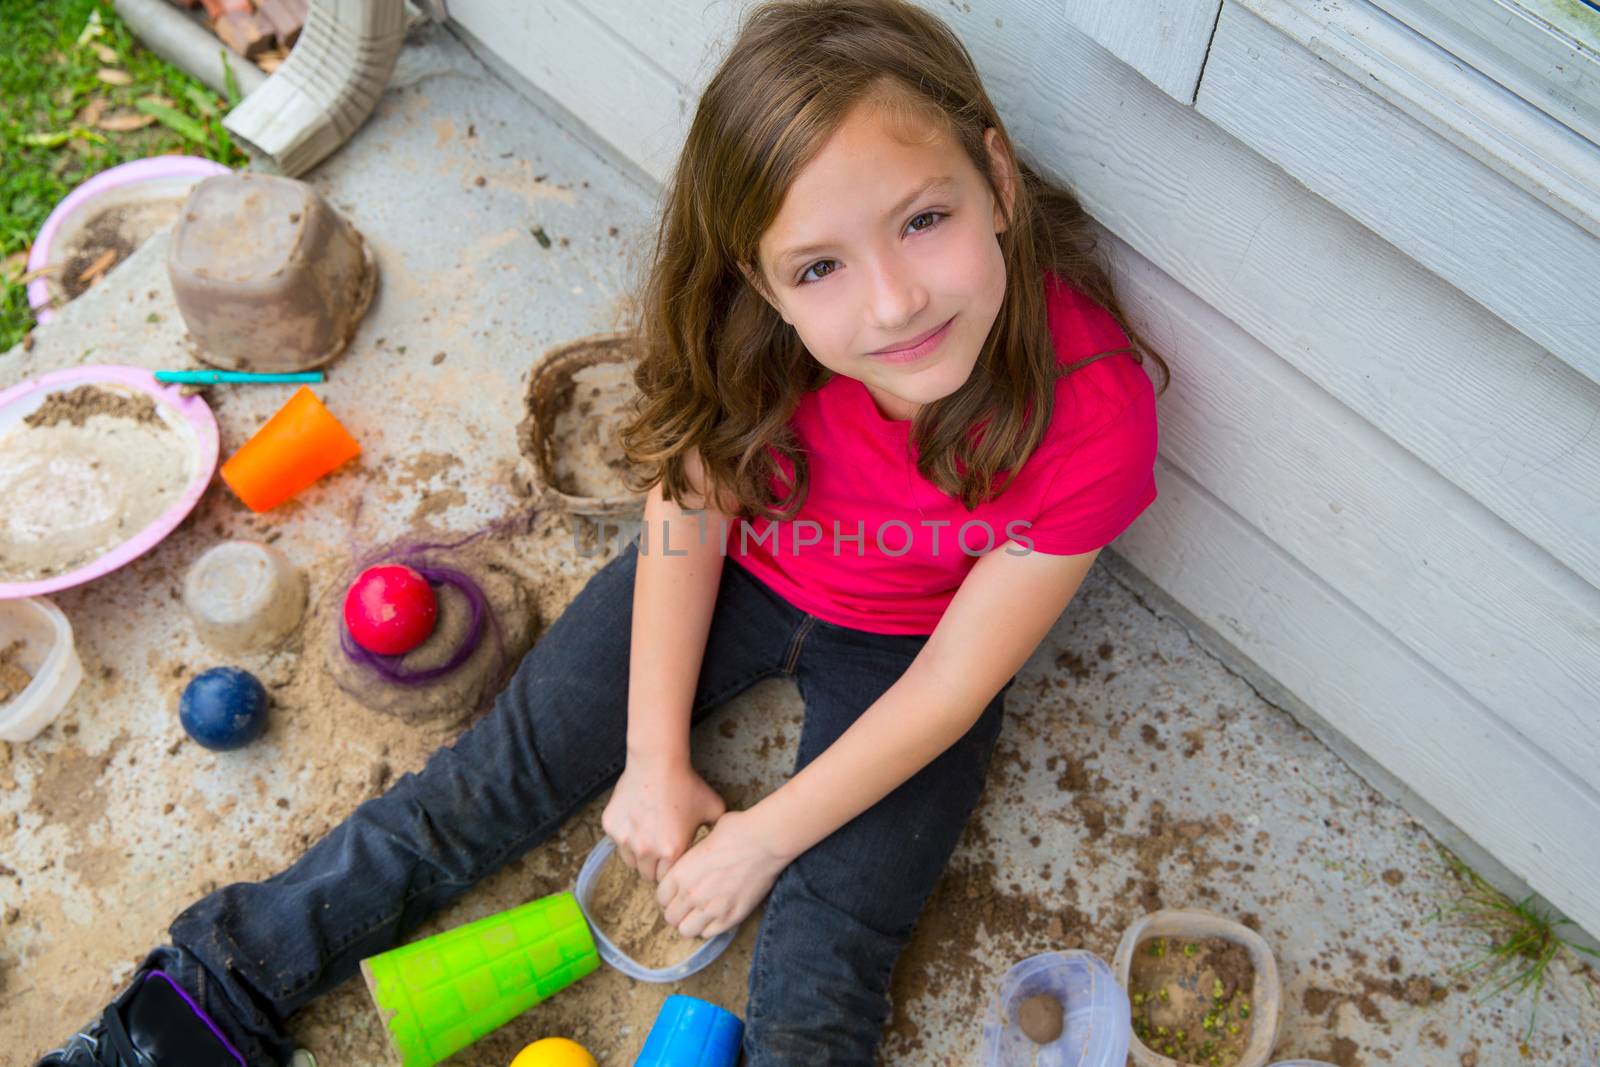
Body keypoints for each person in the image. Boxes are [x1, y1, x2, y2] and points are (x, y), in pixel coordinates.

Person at [36, 0, 1169, 1063]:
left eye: (924, 220)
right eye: (819, 265)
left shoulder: (1093, 411)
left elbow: (951, 689)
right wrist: (651, 757)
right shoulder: (749, 340)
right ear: (760, 282)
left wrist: (761, 837)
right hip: (737, 575)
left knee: (829, 950)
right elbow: (688, 517)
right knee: (489, 781)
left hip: (910, 652)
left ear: (999, 181)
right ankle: (204, 995)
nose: (891, 303)